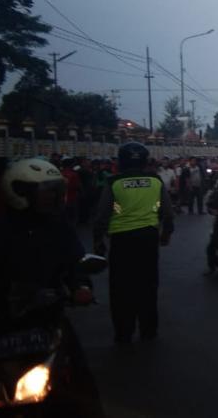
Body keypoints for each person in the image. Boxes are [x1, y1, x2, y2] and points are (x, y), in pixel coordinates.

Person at [93, 142, 174, 344]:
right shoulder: (155, 181)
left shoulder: (114, 182)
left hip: (121, 241)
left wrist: (98, 241)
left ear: (121, 161)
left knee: (121, 288)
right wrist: (166, 234)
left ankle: (124, 332)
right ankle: (148, 330)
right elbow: (167, 212)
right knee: (148, 285)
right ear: (145, 160)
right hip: (148, 238)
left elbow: (102, 216)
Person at [0, 158, 93, 324]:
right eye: (46, 191)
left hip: (50, 311)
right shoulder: (3, 229)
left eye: (55, 191)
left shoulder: (59, 226)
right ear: (21, 191)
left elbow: (75, 258)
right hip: (5, 316)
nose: (52, 196)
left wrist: (81, 286)